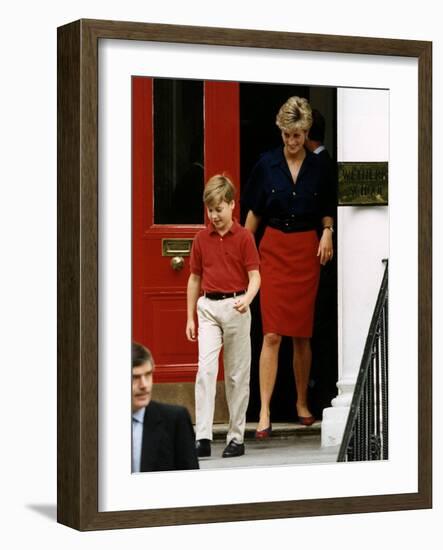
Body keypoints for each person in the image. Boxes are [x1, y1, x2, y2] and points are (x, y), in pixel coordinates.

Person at [243, 96, 335, 438]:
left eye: (296, 135)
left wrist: (327, 231)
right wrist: (245, 259)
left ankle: (301, 402)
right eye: (285, 135)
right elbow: (253, 215)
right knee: (271, 333)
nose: (291, 142)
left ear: (306, 131)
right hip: (273, 250)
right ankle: (264, 410)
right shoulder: (266, 164)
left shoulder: (319, 167)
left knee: (301, 335)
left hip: (305, 251)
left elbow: (326, 206)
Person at [186, 175, 261, 458]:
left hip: (236, 306)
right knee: (205, 370)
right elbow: (194, 278)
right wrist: (190, 316)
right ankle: (202, 436)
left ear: (232, 205)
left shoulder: (244, 238)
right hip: (208, 307)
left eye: (219, 209)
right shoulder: (201, 239)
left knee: (236, 376)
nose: (214, 216)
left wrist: (247, 299)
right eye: (210, 210)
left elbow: (255, 277)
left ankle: (235, 437)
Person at [131, 342, 199, 472]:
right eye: (135, 377)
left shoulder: (174, 420)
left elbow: (190, 482)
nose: (144, 385)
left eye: (148, 375)